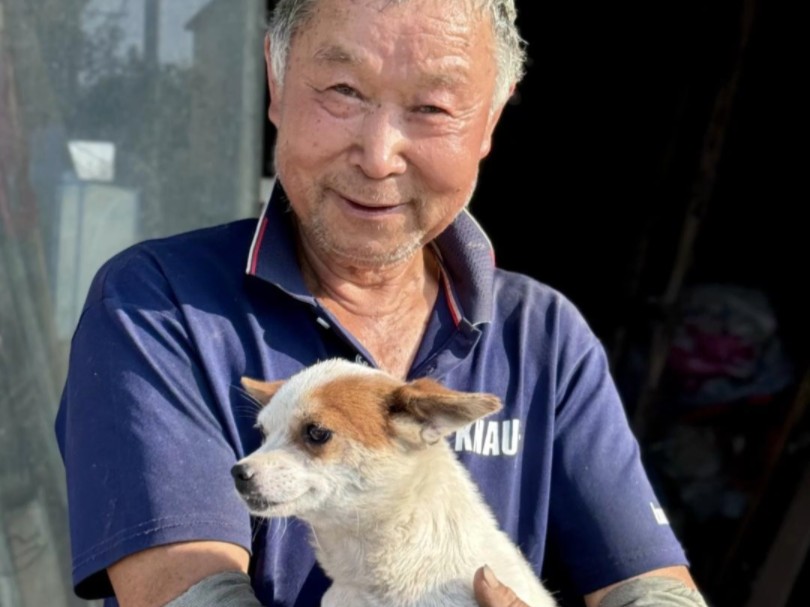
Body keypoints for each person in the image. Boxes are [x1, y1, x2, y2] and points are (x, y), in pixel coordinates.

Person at [55, 0, 709, 605]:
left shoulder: (542, 335)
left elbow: (651, 587)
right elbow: (189, 592)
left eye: (431, 107)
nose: (378, 156)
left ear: (491, 118)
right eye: (343, 91)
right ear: (276, 83)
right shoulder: (159, 309)